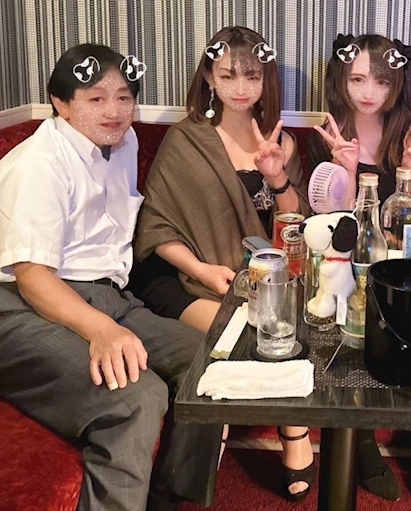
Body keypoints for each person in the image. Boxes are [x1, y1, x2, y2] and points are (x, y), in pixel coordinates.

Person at [0, 43, 222, 511]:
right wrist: (102, 330)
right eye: (96, 98)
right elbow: (33, 277)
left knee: (209, 364)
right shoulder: (37, 164)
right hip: (16, 309)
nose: (114, 111)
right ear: (61, 104)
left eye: (124, 97)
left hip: (106, 296)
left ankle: (169, 498)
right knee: (136, 396)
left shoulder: (124, 144)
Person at [130, 27, 315, 502]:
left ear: (265, 81)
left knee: (281, 331)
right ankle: (280, 433)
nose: (240, 87)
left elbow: (297, 228)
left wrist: (277, 177)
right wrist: (202, 270)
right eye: (228, 75)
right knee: (244, 340)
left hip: (262, 278)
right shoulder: (185, 139)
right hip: (183, 276)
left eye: (252, 76)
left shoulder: (283, 142)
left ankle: (292, 433)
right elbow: (156, 227)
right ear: (209, 78)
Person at [307, 33, 411, 509]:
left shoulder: (410, 134)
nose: (369, 92)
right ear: (340, 80)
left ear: (398, 85)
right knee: (355, 308)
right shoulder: (326, 136)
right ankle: (363, 441)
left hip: (405, 268)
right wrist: (344, 170)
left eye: (382, 81)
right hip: (351, 269)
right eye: (357, 79)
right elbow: (336, 228)